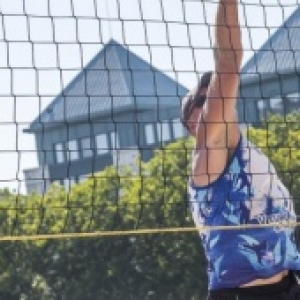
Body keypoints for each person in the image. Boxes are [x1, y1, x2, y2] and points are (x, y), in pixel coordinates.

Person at [181, 0, 300, 299]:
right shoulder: (208, 158)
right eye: (205, 100)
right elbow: (228, 62)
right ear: (193, 123)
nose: (219, 98)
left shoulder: (249, 156)